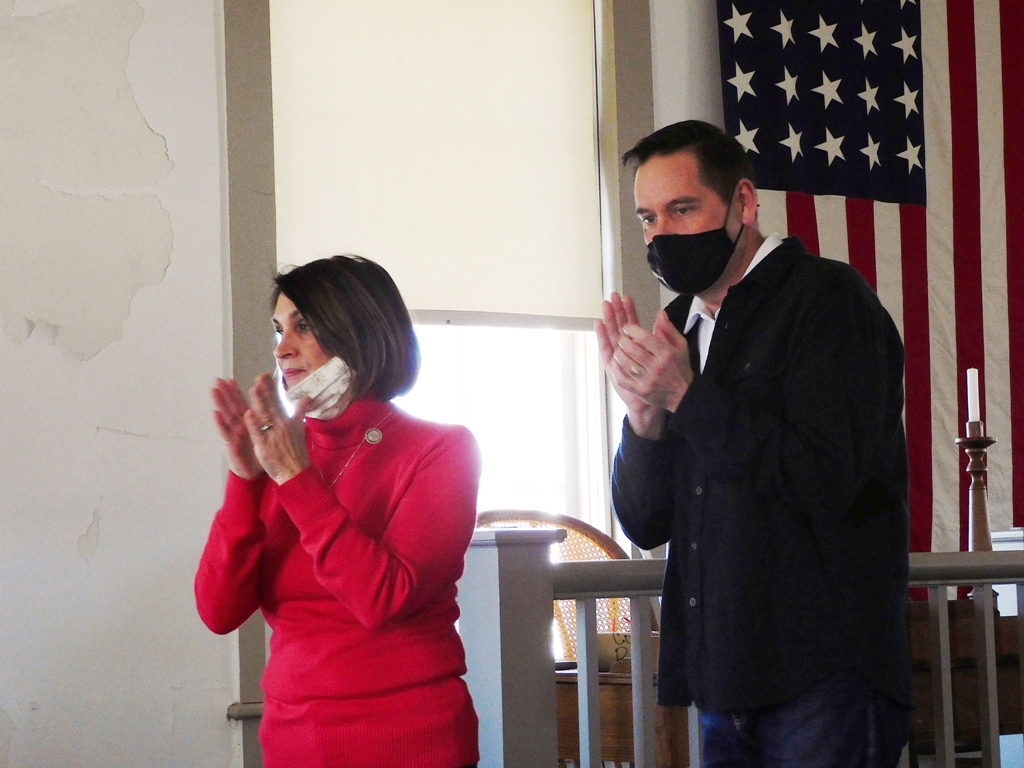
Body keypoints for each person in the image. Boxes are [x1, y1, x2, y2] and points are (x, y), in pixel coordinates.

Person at [596, 121, 911, 766]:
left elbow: (824, 478)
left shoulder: (829, 301)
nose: (661, 234)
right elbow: (646, 522)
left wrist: (687, 397)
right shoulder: (679, 328)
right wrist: (644, 420)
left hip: (824, 674)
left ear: (742, 202)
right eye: (648, 218)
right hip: (720, 678)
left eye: (683, 209)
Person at [195, 255, 481, 768]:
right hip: (293, 743)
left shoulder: (442, 449)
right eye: (278, 329)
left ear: (360, 330)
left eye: (303, 326)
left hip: (413, 741)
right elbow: (218, 612)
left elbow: (383, 597)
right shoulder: (279, 454)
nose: (282, 348)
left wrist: (293, 478)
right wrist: (244, 479)